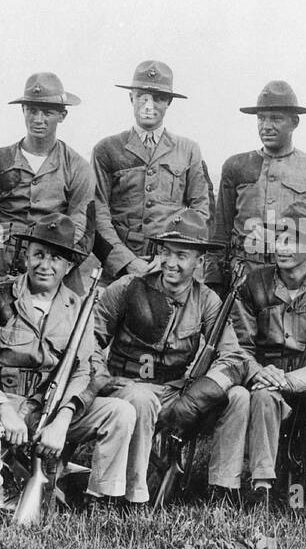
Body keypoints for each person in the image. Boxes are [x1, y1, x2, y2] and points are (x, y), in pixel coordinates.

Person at [0, 215, 135, 510]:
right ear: (26, 255)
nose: (44, 265)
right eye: (38, 254)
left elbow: (83, 370)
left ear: (68, 266)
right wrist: (2, 407)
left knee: (121, 412)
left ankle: (100, 499)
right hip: (4, 405)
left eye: (55, 258)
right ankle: (1, 487)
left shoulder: (78, 309)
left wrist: (62, 420)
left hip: (54, 411)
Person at [91, 209, 248, 504]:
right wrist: (102, 381)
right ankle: (127, 497)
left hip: (174, 392)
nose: (171, 263)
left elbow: (234, 359)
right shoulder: (128, 287)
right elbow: (89, 342)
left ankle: (222, 491)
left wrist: (195, 398)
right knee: (141, 397)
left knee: (238, 396)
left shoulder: (208, 301)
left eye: (182, 256)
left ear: (199, 262)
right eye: (167, 253)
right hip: (127, 387)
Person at [214, 214, 306, 507]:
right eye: (278, 239)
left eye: (292, 240)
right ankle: (262, 486)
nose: (283, 247)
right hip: (268, 381)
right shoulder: (253, 285)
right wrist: (258, 373)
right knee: (264, 394)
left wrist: (300, 377)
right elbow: (239, 347)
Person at [0, 72, 99, 294]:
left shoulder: (77, 167)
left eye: (47, 112)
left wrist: (52, 272)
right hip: (2, 274)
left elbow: (82, 230)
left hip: (56, 278)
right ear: (23, 111)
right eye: (32, 110)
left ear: (62, 115)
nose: (38, 119)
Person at [91, 61, 213, 283]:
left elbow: (200, 210)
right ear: (131, 99)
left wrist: (170, 256)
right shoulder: (107, 149)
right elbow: (98, 214)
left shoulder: (188, 150)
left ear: (169, 102)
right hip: (119, 271)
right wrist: (126, 261)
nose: (149, 105)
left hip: (171, 270)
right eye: (142, 97)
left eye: (157, 98)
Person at [209, 80, 306, 287]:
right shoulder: (236, 165)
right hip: (244, 276)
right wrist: (214, 280)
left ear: (294, 122)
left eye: (276, 119)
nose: (266, 126)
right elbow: (220, 231)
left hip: (297, 278)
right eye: (261, 118)